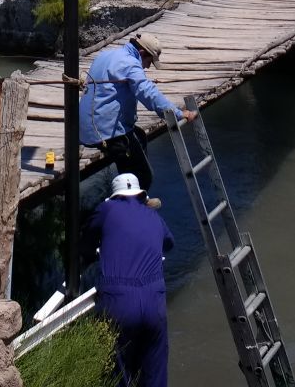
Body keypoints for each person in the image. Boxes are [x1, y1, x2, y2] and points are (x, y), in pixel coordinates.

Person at [83, 172, 175, 387]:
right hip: (154, 299)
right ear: (142, 195)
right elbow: (169, 243)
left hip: (119, 300)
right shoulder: (153, 216)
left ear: (115, 196)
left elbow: (86, 241)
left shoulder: (106, 209)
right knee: (155, 374)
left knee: (117, 373)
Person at [79, 31, 197, 191]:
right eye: (149, 61)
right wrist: (177, 113)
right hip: (105, 132)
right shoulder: (129, 64)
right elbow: (149, 93)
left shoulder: (105, 55)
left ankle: (129, 184)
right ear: (141, 53)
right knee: (144, 176)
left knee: (139, 136)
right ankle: (134, 207)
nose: (148, 66)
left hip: (86, 129)